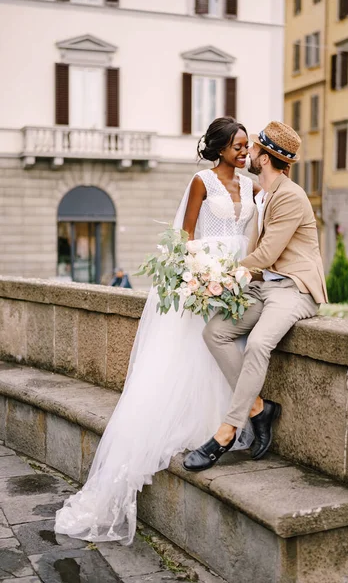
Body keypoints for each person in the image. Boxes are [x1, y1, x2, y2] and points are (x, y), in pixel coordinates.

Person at [54, 117, 259, 544]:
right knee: (189, 360)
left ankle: (219, 425)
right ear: (221, 148)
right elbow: (185, 237)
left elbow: (253, 239)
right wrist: (200, 277)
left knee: (221, 352)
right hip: (204, 282)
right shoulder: (202, 182)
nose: (244, 152)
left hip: (240, 282)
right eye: (238, 146)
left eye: (246, 146)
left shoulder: (252, 187)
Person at [184, 121, 328, 472]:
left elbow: (265, 254)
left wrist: (219, 277)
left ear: (264, 158)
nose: (248, 152)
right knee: (214, 332)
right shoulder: (263, 194)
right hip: (264, 285)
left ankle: (226, 432)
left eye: (254, 148)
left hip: (295, 289)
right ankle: (259, 409)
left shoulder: (290, 196)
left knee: (257, 344)